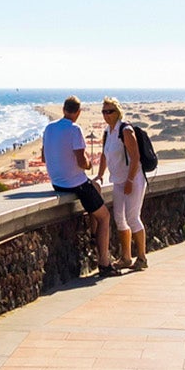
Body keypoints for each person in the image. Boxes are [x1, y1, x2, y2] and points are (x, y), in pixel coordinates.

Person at [43, 96, 116, 271]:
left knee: (96, 187)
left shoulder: (49, 128)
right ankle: (104, 263)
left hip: (57, 183)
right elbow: (81, 161)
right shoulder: (75, 129)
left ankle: (93, 233)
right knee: (105, 216)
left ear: (63, 110)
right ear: (78, 112)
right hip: (75, 183)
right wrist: (90, 164)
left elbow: (44, 157)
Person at [97, 97, 147, 271]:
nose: (106, 115)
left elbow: (136, 157)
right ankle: (126, 257)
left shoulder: (125, 130)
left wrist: (130, 180)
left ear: (117, 112)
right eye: (104, 111)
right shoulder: (108, 132)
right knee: (120, 219)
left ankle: (141, 258)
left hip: (133, 179)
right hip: (118, 181)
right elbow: (104, 155)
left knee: (133, 218)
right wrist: (99, 175)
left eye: (109, 111)